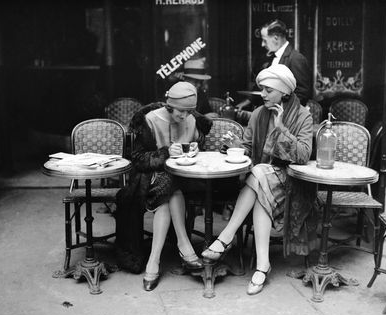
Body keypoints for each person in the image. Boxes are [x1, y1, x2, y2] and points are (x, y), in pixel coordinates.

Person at [202, 64, 316, 296]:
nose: (262, 94)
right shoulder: (258, 114)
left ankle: (226, 236)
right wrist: (236, 145)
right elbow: (247, 147)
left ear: (284, 91)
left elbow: (304, 155)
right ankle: (262, 265)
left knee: (258, 174)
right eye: (261, 89)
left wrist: (282, 127)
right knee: (260, 178)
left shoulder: (303, 116)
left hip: (292, 181)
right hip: (263, 179)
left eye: (267, 90)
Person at [114, 81, 213, 291]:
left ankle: (154, 262)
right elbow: (138, 159)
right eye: (180, 111)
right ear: (169, 106)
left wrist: (195, 147)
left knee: (171, 188)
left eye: (189, 112)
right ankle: (183, 246)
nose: (184, 117)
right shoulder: (149, 120)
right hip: (148, 178)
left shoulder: (191, 119)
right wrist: (165, 153)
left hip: (183, 178)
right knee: (169, 192)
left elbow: (195, 145)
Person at [236, 19, 312, 113]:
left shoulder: (296, 59)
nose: (262, 44)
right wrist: (248, 101)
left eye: (264, 40)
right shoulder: (269, 58)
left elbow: (302, 94)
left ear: (276, 38)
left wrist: (281, 111)